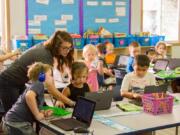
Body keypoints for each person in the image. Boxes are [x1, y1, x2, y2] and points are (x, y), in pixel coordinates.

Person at [0, 30, 75, 113]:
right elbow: (50, 87)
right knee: (13, 114)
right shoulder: (44, 55)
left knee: (28, 109)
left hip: (19, 82)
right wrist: (71, 103)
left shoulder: (46, 48)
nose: (67, 51)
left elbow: (47, 81)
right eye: (64, 48)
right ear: (56, 46)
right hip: (8, 81)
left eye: (69, 47)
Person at [2, 62, 53, 135]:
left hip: (10, 122)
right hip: (17, 123)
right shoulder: (39, 84)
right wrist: (37, 115)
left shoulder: (35, 84)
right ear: (42, 76)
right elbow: (29, 96)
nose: (51, 78)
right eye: (50, 75)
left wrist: (43, 113)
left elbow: (32, 104)